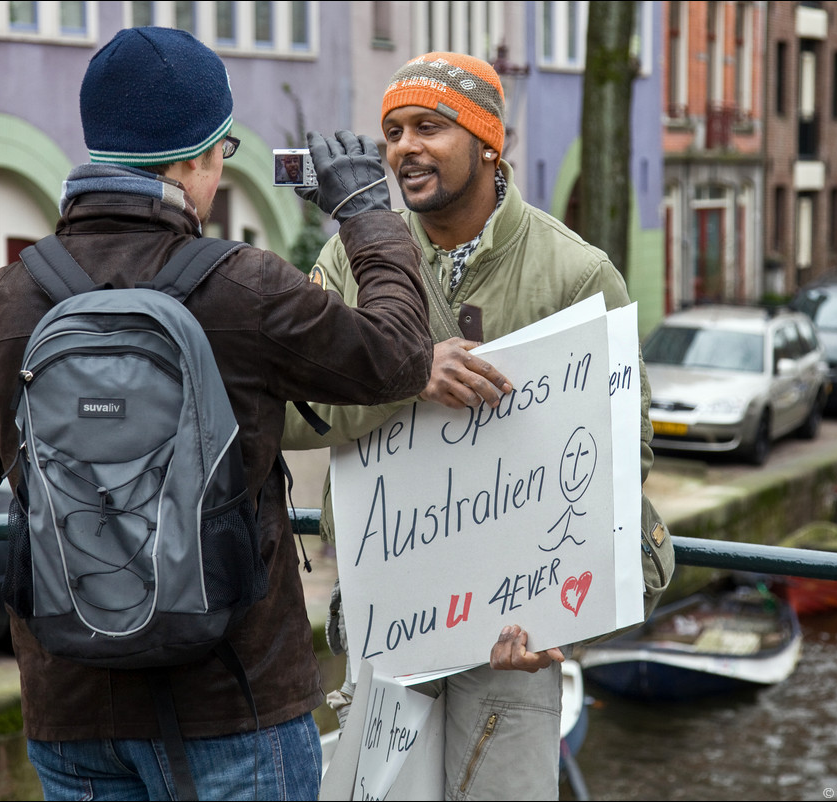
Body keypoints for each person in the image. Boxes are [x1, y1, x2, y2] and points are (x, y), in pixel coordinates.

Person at [0, 27, 435, 801]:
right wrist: (367, 212)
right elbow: (399, 356)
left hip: (73, 712)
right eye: (223, 153)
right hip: (235, 707)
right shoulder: (246, 289)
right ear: (194, 161)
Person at [281, 52, 674, 800]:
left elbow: (629, 448)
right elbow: (289, 414)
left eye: (429, 126)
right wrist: (406, 376)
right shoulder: (350, 258)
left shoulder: (576, 272)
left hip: (511, 634)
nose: (403, 149)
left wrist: (563, 606)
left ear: (490, 142)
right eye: (393, 131)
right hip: (391, 610)